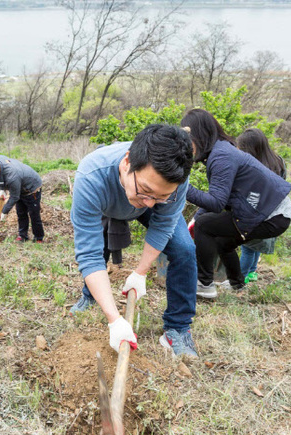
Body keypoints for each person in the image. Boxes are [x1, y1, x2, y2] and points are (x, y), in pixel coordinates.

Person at [69, 124, 198, 359]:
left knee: (183, 248)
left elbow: (163, 225)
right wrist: (114, 320)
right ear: (127, 163)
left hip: (140, 196)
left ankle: (178, 327)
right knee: (100, 249)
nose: (150, 203)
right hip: (109, 200)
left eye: (161, 195)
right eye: (147, 190)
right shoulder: (92, 176)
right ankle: (90, 296)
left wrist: (140, 272)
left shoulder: (176, 179)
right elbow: (89, 252)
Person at [182, 109, 291, 299]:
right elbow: (217, 197)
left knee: (205, 226)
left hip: (271, 214)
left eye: (188, 139)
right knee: (222, 241)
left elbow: (216, 203)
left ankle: (204, 283)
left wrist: (182, 186)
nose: (187, 146)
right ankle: (237, 283)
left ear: (200, 135)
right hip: (271, 210)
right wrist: (194, 218)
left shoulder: (221, 157)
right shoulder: (221, 151)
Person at [236, 128, 286, 283]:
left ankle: (239, 278)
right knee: (257, 246)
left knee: (247, 248)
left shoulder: (255, 166)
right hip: (273, 211)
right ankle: (251, 272)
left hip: (256, 212)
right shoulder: (278, 161)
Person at [0, 155, 44, 243]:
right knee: (21, 213)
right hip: (19, 186)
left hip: (31, 189)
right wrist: (3, 189)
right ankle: (23, 235)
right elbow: (1, 177)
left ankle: (38, 237)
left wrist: (4, 211)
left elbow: (14, 197)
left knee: (34, 214)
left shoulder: (12, 176)